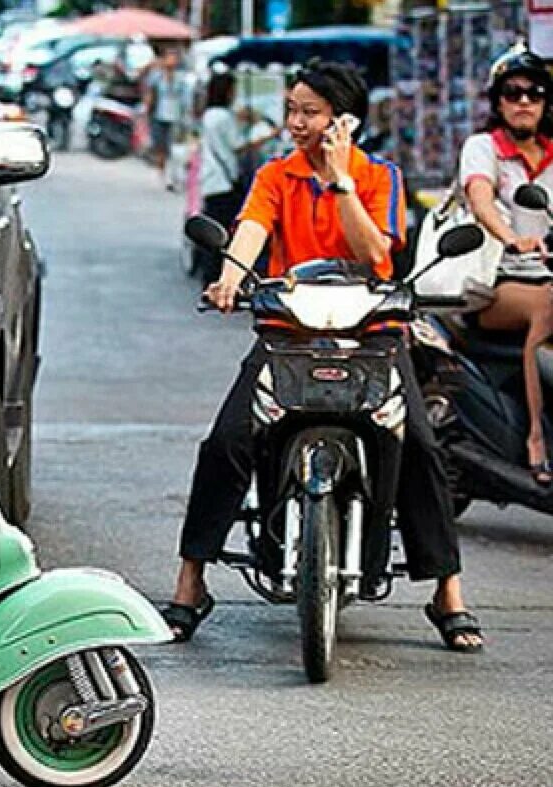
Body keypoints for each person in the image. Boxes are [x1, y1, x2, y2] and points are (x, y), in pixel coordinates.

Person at [162, 60, 485, 654]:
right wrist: (231, 276)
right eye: (292, 110)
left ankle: (448, 592)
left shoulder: (378, 176)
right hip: (290, 334)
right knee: (228, 441)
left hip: (372, 337)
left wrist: (339, 182)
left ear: (344, 121)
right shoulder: (275, 176)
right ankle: (190, 582)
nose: (295, 122)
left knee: (419, 443)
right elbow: (253, 231)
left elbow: (377, 256)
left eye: (309, 112)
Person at [460, 42, 553, 485]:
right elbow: (481, 200)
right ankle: (538, 438)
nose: (523, 102)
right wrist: (512, 238)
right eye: (512, 93)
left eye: (533, 93)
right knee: (549, 304)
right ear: (498, 101)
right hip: (499, 282)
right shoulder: (484, 148)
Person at [195, 71, 278, 284]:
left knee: (213, 230)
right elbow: (238, 145)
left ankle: (210, 275)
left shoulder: (210, 115)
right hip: (224, 182)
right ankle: (221, 278)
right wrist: (268, 135)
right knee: (225, 233)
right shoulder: (223, 117)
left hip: (211, 180)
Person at [142, 47, 190, 189]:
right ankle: (162, 173)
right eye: (169, 57)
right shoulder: (156, 76)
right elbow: (150, 93)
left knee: (174, 147)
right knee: (160, 146)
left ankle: (174, 175)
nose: (172, 61)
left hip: (176, 116)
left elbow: (186, 98)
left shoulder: (182, 77)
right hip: (159, 115)